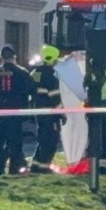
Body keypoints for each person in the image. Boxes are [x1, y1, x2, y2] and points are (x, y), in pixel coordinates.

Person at [0, 44, 35, 176]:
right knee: (15, 142)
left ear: (1, 57)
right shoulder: (22, 72)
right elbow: (33, 90)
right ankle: (15, 168)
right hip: (15, 114)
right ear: (14, 57)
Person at [30, 44, 63, 174]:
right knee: (51, 139)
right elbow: (55, 97)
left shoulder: (35, 73)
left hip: (38, 111)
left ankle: (36, 165)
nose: (57, 62)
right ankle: (44, 166)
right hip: (50, 113)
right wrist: (62, 114)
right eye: (56, 59)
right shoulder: (51, 76)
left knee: (43, 138)